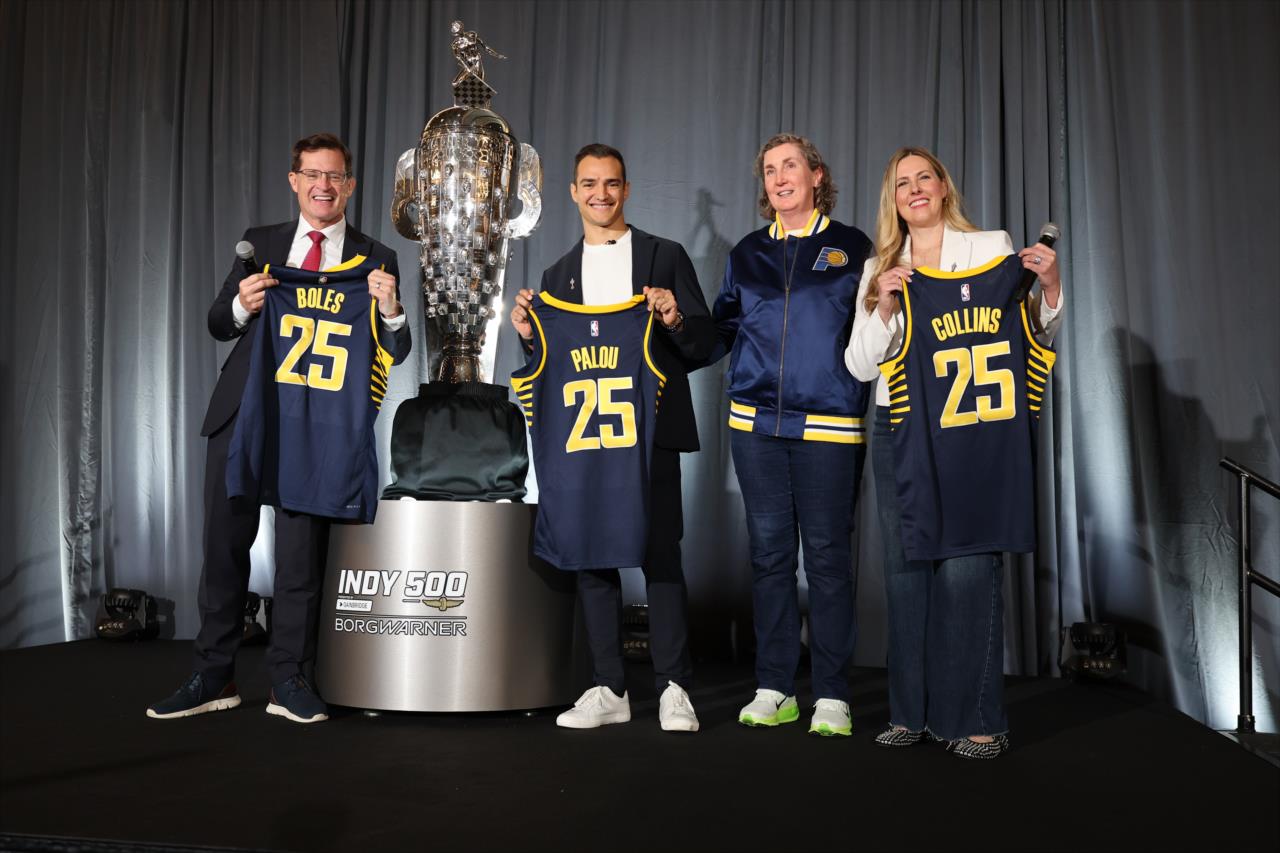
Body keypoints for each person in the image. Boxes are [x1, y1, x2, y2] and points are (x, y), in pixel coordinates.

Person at [147, 133, 411, 724]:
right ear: (294, 181)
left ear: (350, 186)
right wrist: (242, 305)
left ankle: (289, 677)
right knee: (223, 547)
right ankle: (212, 674)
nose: (323, 185)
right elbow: (219, 323)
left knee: (300, 558)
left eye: (334, 175)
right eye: (312, 174)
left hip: (317, 424)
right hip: (244, 412)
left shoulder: (375, 258)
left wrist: (390, 310)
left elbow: (398, 349)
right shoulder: (260, 244)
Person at [844, 146, 1063, 758]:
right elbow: (859, 366)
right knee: (906, 573)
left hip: (971, 429)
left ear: (943, 186)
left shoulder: (991, 248)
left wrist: (1049, 288)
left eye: (924, 178)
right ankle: (910, 714)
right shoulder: (879, 267)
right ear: (892, 199)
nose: (914, 189)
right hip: (900, 427)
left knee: (968, 570)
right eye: (902, 183)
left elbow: (1033, 332)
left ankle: (977, 719)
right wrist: (885, 305)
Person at [509, 143, 714, 731]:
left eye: (612, 183)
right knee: (590, 556)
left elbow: (703, 345)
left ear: (627, 190)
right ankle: (609, 686)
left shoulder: (664, 256)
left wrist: (674, 318)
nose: (601, 194)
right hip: (584, 434)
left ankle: (674, 686)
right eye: (590, 184)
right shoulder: (556, 277)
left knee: (660, 552)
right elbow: (551, 363)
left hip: (650, 431)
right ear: (574, 192)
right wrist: (529, 335)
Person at [707, 133, 873, 737]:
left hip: (829, 424)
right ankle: (774, 687)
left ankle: (831, 694)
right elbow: (720, 331)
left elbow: (875, 333)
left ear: (816, 175)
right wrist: (669, 325)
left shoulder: (853, 248)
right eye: (770, 170)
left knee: (827, 560)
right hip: (755, 427)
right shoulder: (747, 253)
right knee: (770, 557)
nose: (779, 178)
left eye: (790, 166)